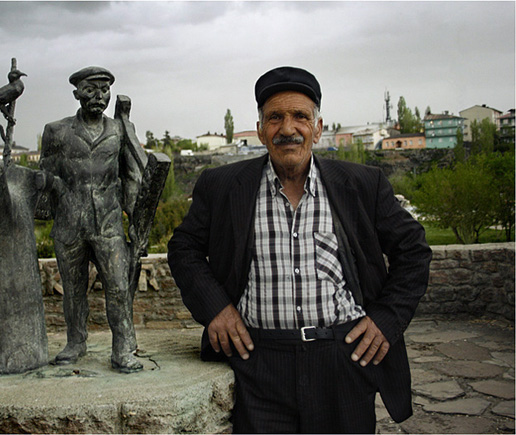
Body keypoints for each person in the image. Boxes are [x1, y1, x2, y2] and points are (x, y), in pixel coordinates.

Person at [167, 66, 432, 433]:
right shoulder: (223, 185)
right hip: (258, 364)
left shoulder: (362, 184)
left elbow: (414, 250)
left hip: (343, 360)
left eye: (300, 117)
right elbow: (184, 248)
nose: (288, 129)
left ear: (318, 128)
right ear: (261, 130)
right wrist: (216, 308)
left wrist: (386, 318)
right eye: (275, 117)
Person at [39, 66, 145, 373]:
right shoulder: (56, 131)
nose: (98, 96)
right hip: (69, 222)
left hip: (108, 223)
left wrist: (136, 217)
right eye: (90, 90)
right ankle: (76, 342)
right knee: (73, 290)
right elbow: (46, 174)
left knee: (118, 287)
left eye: (104, 90)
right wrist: (47, 187)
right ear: (76, 93)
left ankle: (123, 349)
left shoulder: (120, 130)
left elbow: (131, 177)